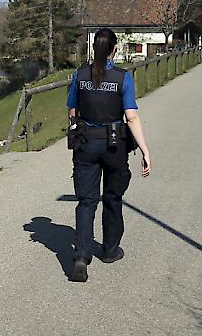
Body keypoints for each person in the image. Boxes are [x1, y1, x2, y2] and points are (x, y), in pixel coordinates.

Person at [66, 28, 152, 283]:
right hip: (115, 145)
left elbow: (72, 111)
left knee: (86, 201)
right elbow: (132, 116)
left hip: (86, 143)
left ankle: (81, 255)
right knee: (112, 197)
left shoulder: (79, 76)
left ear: (94, 50)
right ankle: (110, 250)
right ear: (114, 49)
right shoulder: (122, 78)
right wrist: (145, 150)